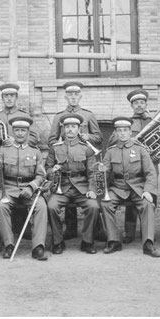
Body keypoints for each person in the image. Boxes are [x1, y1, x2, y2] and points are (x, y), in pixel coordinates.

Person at [47, 81, 103, 240]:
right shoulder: (59, 116)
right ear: (65, 96)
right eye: (70, 94)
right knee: (64, 190)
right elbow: (51, 140)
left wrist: (87, 137)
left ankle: (94, 233)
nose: (73, 97)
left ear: (80, 96)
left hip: (85, 159)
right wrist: (61, 152)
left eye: (76, 94)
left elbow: (99, 138)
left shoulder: (88, 115)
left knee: (91, 198)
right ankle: (70, 230)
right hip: (64, 162)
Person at [101, 117, 160, 258]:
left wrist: (147, 191)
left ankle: (148, 243)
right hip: (118, 188)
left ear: (130, 132)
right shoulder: (110, 151)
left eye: (125, 130)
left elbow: (150, 172)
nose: (122, 133)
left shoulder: (140, 150)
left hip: (138, 187)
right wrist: (102, 170)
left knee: (147, 204)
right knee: (106, 204)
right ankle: (114, 241)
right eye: (119, 131)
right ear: (115, 133)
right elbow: (106, 172)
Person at [107, 89, 160, 244]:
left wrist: (158, 155)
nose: (139, 105)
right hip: (129, 167)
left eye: (142, 102)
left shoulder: (154, 121)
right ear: (132, 105)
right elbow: (112, 143)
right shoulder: (127, 123)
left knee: (150, 198)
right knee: (130, 198)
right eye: (136, 103)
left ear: (146, 104)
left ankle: (148, 232)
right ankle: (129, 232)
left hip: (150, 165)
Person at [0, 116, 48, 261]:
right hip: (9, 189)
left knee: (41, 206)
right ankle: (9, 245)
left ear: (28, 132)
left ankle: (38, 247)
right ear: (12, 132)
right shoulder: (3, 151)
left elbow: (41, 175)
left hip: (28, 189)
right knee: (1, 206)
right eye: (17, 130)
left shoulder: (35, 152)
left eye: (23, 130)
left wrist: (31, 188)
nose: (19, 133)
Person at [46, 113, 100, 255]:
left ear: (79, 129)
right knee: (51, 207)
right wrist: (52, 171)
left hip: (81, 187)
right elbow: (47, 168)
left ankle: (87, 242)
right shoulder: (55, 148)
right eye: (67, 127)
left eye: (73, 127)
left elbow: (92, 172)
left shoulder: (86, 148)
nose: (70, 129)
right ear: (63, 129)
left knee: (93, 206)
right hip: (61, 187)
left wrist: (92, 189)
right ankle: (58, 241)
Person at [0, 83, 39, 148]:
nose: (9, 99)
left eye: (12, 95)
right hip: (2, 155)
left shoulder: (24, 116)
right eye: (6, 96)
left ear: (16, 97)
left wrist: (17, 141)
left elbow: (34, 138)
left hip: (20, 155)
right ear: (2, 98)